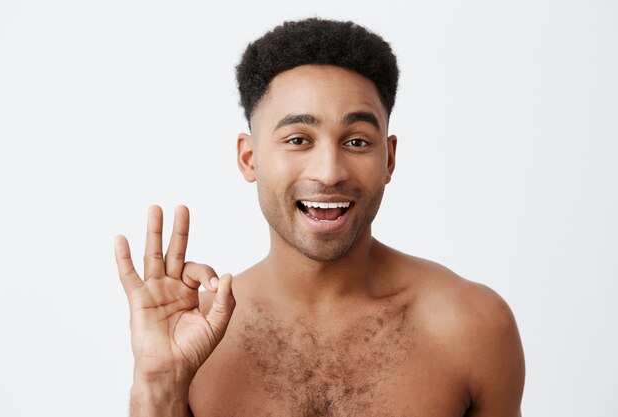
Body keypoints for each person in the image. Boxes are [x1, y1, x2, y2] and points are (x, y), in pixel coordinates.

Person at [114, 18, 525, 417]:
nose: (329, 171)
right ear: (249, 157)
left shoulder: (473, 327)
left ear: (389, 158)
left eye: (357, 141)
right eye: (298, 140)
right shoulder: (196, 338)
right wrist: (160, 382)